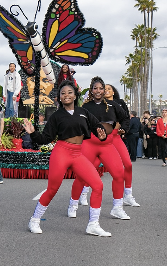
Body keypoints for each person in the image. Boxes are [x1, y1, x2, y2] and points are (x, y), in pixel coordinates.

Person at [24, 80, 111, 237]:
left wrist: (103, 135)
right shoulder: (56, 116)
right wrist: (32, 133)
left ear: (75, 94)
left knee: (97, 185)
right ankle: (34, 220)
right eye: (63, 93)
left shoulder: (83, 112)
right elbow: (45, 138)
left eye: (70, 92)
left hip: (78, 154)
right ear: (59, 97)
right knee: (52, 189)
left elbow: (98, 128)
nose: (66, 95)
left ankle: (93, 224)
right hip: (62, 152)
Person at [70, 76, 130, 220]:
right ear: (91, 90)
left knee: (119, 174)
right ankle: (73, 204)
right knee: (81, 176)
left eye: (101, 88)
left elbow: (125, 118)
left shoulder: (113, 105)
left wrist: (124, 130)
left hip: (107, 145)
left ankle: (117, 207)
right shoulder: (85, 107)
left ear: (104, 90)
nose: (98, 91)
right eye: (95, 88)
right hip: (90, 144)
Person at [104, 84, 140, 207]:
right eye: (104, 88)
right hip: (102, 139)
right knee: (92, 166)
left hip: (116, 137)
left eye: (109, 88)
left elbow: (126, 119)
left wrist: (124, 129)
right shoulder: (97, 104)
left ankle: (128, 195)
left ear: (113, 92)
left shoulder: (119, 103)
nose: (107, 90)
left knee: (128, 164)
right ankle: (82, 193)